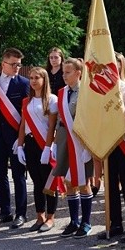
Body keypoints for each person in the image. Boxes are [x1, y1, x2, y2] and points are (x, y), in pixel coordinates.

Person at [50, 58, 95, 238]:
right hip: (63, 139)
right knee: (69, 182)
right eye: (63, 72)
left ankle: (86, 222)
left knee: (83, 182)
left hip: (80, 142)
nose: (64, 75)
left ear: (78, 73)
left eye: (68, 72)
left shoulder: (86, 92)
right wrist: (54, 143)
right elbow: (60, 119)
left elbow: (89, 120)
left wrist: (88, 147)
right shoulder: (62, 93)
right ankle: (74, 220)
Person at [16, 67, 62, 233]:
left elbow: (51, 127)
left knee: (49, 182)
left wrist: (48, 147)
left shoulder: (52, 100)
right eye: (31, 78)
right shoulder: (26, 102)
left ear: (44, 80)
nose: (33, 81)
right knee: (36, 182)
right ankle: (40, 215)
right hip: (30, 143)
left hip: (45, 144)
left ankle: (50, 217)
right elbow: (23, 125)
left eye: (37, 78)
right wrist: (20, 145)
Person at [98, 53, 125, 242]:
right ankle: (115, 223)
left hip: (124, 142)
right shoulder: (99, 90)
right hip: (108, 143)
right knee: (111, 187)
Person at [0, 48, 30, 227]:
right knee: (0, 174)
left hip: (16, 137)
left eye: (19, 64)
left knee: (18, 175)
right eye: (13, 64)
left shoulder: (23, 83)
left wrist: (21, 139)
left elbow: (27, 114)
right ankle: (5, 211)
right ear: (3, 64)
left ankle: (21, 213)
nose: (17, 67)